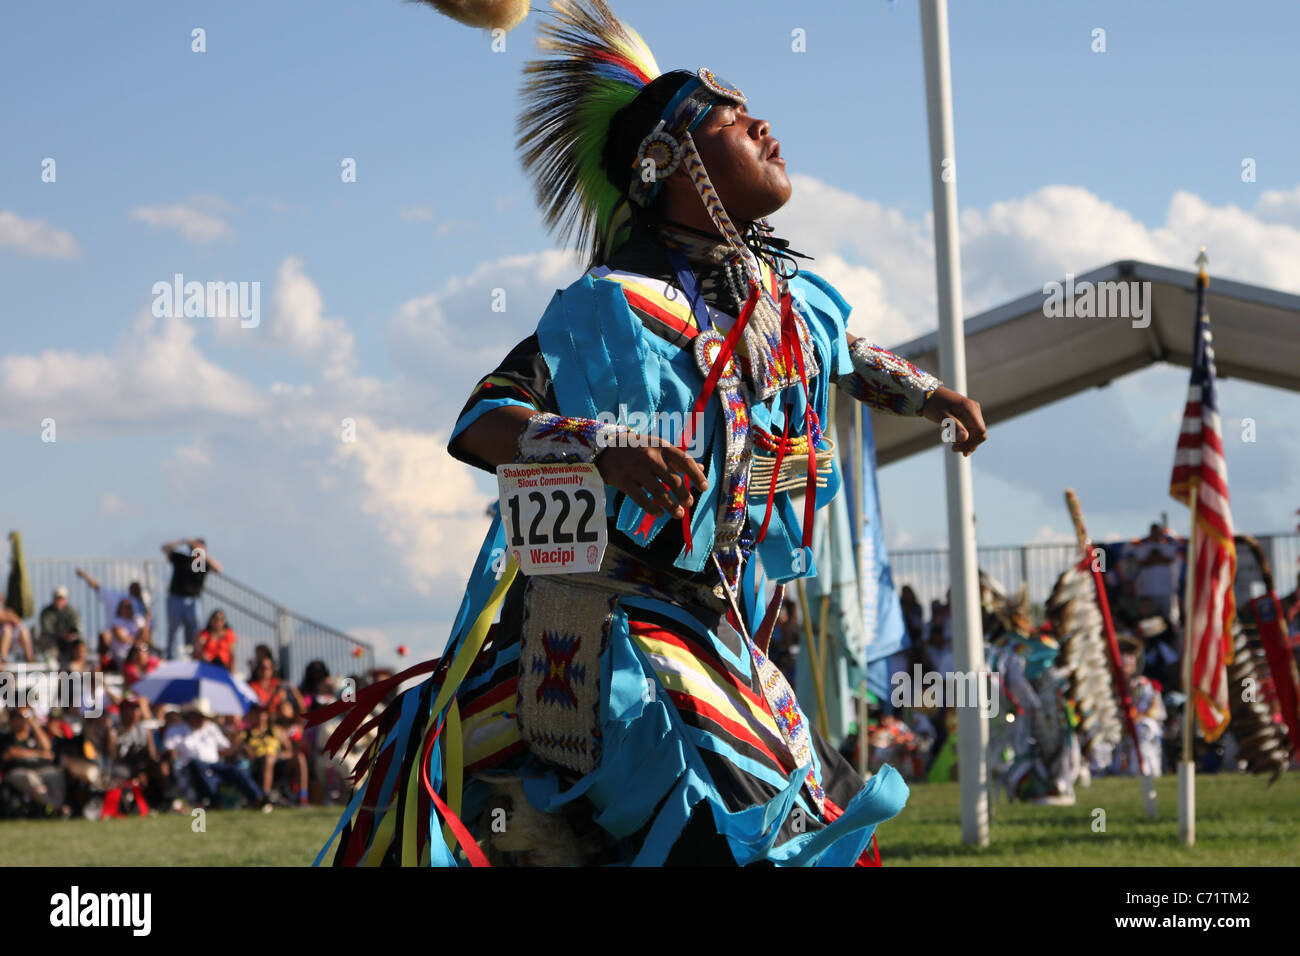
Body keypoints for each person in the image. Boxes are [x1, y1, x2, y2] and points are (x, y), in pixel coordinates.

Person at [317, 0, 987, 868]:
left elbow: (847, 355)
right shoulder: (608, 308)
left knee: (805, 815)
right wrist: (602, 445)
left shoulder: (782, 309)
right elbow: (483, 421)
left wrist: (932, 394)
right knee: (743, 819)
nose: (764, 124)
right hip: (614, 630)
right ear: (665, 162)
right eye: (732, 117)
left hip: (720, 629)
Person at [164, 699, 264, 809]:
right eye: (200, 716)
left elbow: (226, 748)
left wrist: (237, 741)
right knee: (198, 765)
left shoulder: (211, 728)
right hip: (189, 766)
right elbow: (170, 751)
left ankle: (258, 799)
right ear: (191, 715)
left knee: (236, 770)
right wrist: (175, 763)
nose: (202, 719)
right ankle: (215, 801)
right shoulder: (176, 730)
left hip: (214, 764)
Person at [161, 538, 222, 659]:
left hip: (194, 600)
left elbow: (218, 568)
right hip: (176, 598)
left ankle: (196, 655)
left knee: (196, 630)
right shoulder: (182, 559)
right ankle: (172, 657)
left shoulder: (201, 563)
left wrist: (203, 554)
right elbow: (165, 548)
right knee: (174, 629)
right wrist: (183, 541)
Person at [0, 708, 67, 816]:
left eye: (26, 717)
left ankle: (55, 806)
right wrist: (40, 754)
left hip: (41, 770)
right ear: (12, 720)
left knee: (56, 775)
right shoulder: (7, 737)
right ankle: (55, 806)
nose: (24, 720)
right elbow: (12, 752)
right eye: (20, 717)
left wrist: (34, 724)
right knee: (30, 777)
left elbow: (47, 747)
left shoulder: (33, 736)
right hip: (17, 772)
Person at [1130, 523, 1182, 628]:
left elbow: (1168, 560)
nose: (1156, 534)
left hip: (1167, 591)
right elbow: (1143, 562)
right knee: (1150, 621)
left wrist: (1154, 558)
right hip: (1148, 591)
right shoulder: (1143, 547)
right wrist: (1158, 558)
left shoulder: (1169, 547)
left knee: (1169, 620)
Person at [37, 587, 81, 665]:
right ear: (53, 599)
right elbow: (46, 631)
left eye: (62, 599)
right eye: (57, 598)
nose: (59, 601)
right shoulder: (46, 612)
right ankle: (51, 664)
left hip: (69, 642)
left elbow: (76, 628)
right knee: (47, 643)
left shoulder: (71, 611)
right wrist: (61, 634)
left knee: (80, 646)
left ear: (66, 600)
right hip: (53, 642)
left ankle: (78, 666)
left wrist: (71, 635)